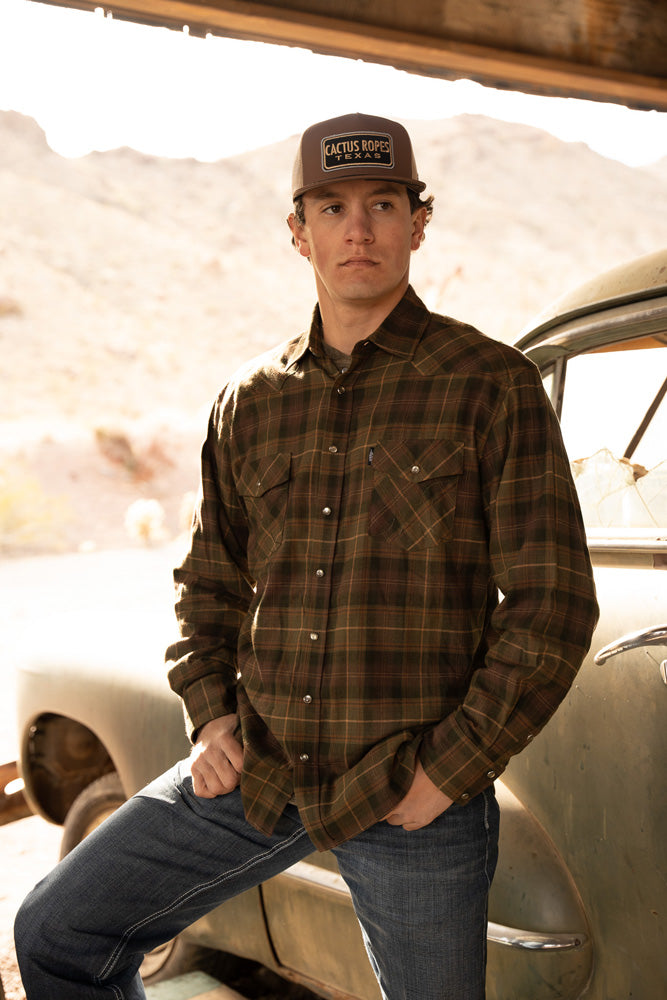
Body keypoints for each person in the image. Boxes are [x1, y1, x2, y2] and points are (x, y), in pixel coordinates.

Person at [15, 112, 599, 1000]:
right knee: (57, 930)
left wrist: (448, 771)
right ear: (298, 232)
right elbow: (207, 583)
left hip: (409, 792)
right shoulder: (248, 400)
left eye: (381, 204)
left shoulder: (489, 385)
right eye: (330, 208)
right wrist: (211, 719)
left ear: (417, 223)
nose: (356, 229)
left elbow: (550, 606)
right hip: (259, 767)